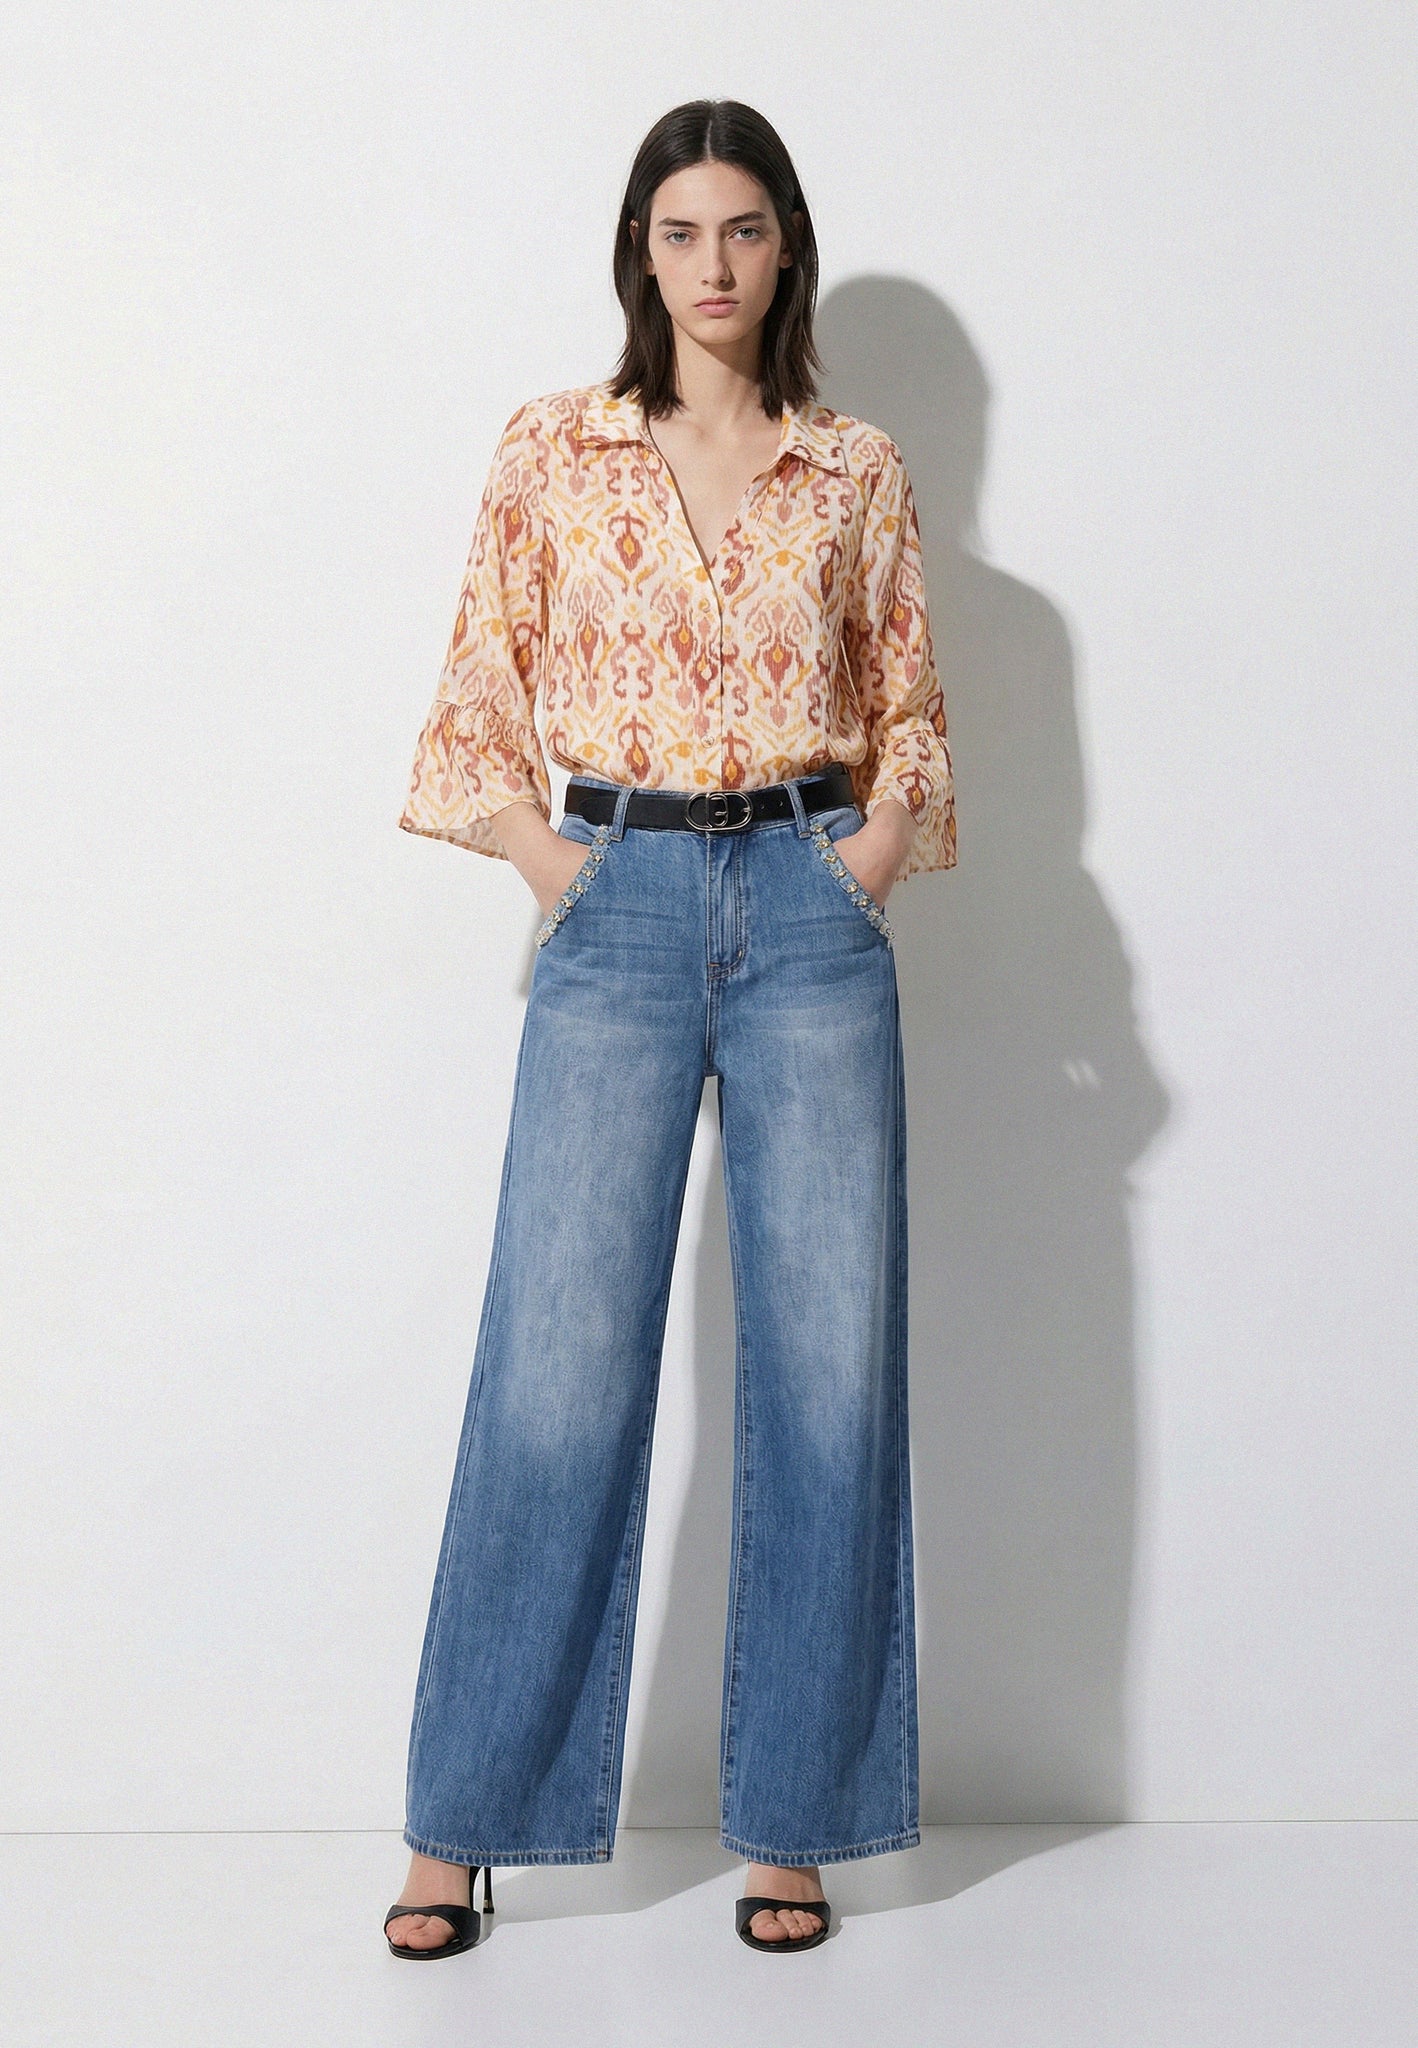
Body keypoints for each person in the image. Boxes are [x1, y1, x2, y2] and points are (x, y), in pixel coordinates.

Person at [383, 97, 956, 1961]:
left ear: (787, 246)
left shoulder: (854, 466)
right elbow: (476, 689)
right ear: (640, 251)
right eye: (680, 231)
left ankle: (797, 1821)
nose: (713, 264)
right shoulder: (555, 447)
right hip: (616, 899)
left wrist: (868, 855)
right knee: (553, 1369)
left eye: (745, 228)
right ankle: (463, 1824)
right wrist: (556, 869)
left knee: (825, 1374)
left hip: (808, 904)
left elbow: (907, 705)